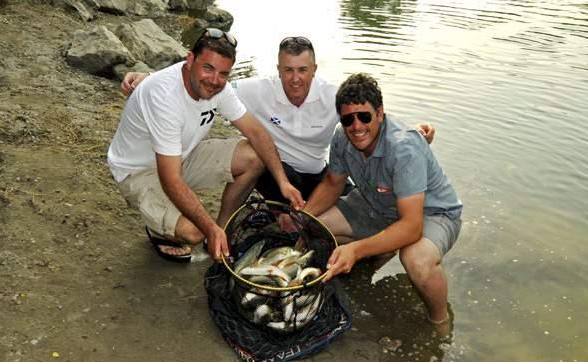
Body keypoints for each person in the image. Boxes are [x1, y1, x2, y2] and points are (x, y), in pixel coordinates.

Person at [121, 36, 435, 203]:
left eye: (302, 70)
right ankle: (274, 213)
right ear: (278, 69)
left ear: (314, 69)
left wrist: (411, 131)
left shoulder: (332, 96)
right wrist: (148, 77)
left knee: (355, 205)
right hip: (275, 172)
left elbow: (371, 118)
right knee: (267, 175)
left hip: (316, 173)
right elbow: (207, 81)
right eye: (287, 70)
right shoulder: (257, 89)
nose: (295, 79)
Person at [108, 29, 303, 263]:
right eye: (208, 68)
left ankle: (223, 230)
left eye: (223, 73)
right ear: (190, 60)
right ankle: (162, 230)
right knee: (194, 232)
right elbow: (171, 179)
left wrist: (282, 181)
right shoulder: (164, 96)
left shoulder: (219, 87)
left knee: (254, 156)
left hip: (180, 156)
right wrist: (207, 227)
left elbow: (257, 133)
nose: (214, 80)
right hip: (138, 171)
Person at [303, 73, 463, 325]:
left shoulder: (403, 147)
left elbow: (411, 227)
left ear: (380, 113)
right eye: (348, 119)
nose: (356, 127)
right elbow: (333, 182)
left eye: (364, 116)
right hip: (376, 203)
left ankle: (440, 323)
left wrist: (355, 250)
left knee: (416, 261)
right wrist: (302, 216)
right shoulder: (342, 136)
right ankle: (379, 252)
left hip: (430, 214)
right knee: (315, 226)